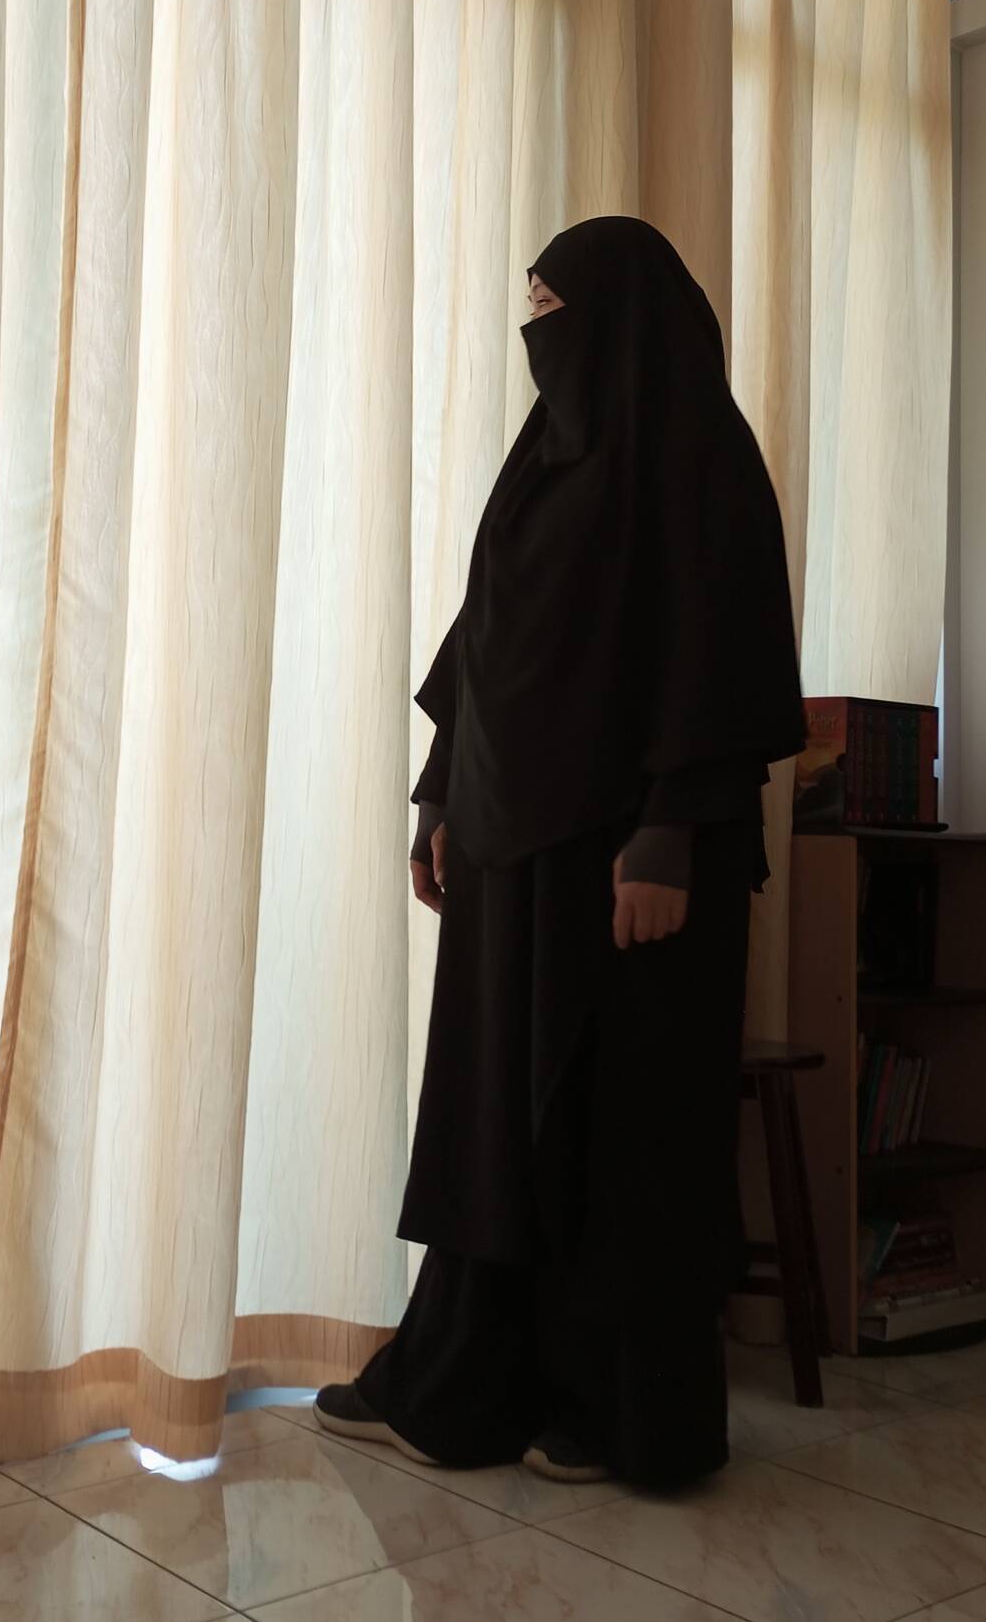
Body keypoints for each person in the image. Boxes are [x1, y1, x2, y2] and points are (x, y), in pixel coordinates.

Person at [316, 216, 806, 1490]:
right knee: (496, 1125)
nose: (535, 330)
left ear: (621, 318)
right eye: (529, 306)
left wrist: (668, 830)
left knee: (622, 1136)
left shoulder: (700, 459)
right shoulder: (541, 458)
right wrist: (437, 795)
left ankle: (613, 1413)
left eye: (552, 305)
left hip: (633, 862)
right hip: (510, 847)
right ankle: (467, 1379)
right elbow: (484, 637)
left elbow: (720, 652)